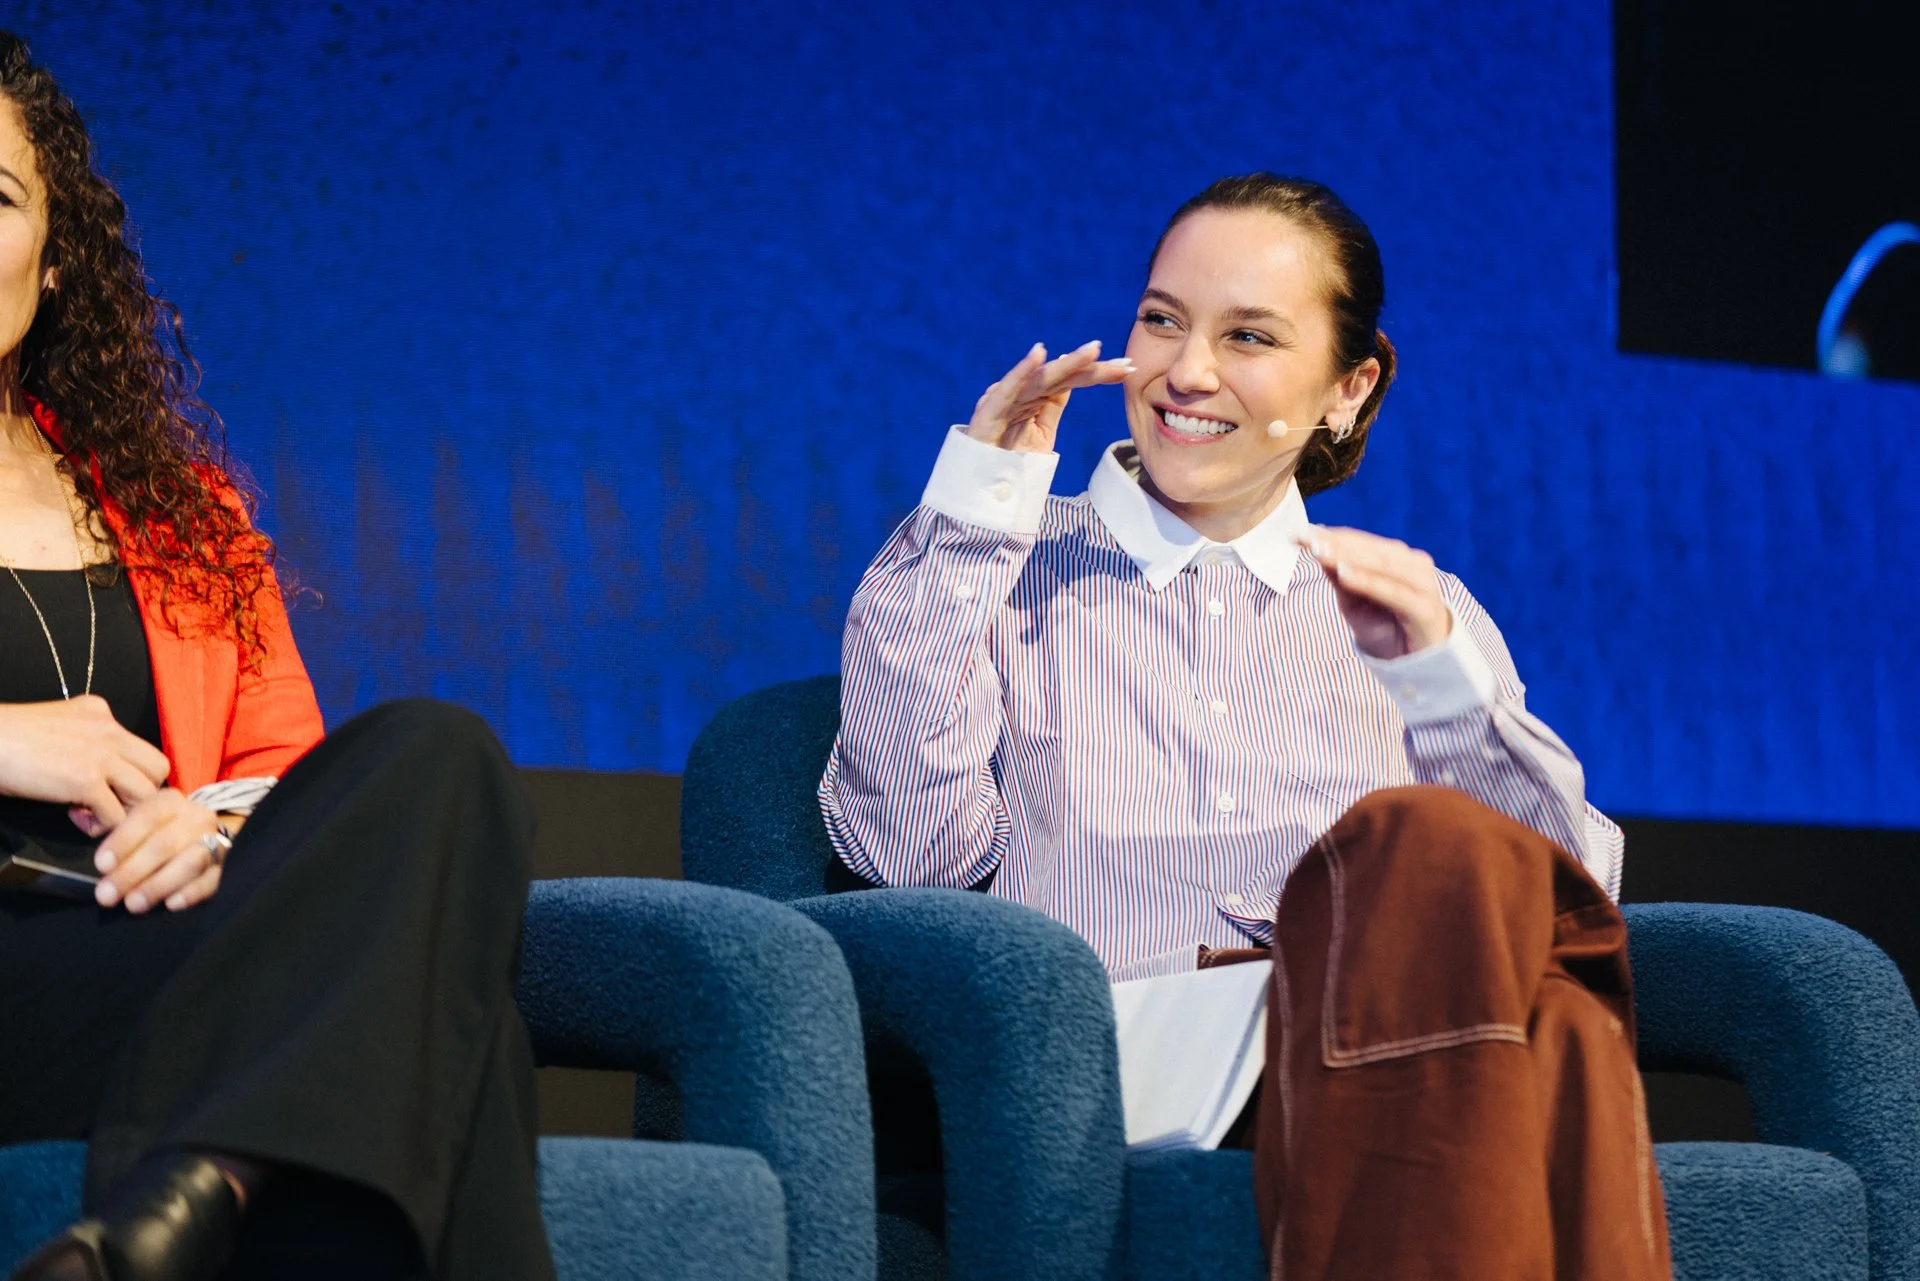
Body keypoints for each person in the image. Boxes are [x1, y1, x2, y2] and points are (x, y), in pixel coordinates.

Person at [821, 173, 1672, 1279]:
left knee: (1494, 946)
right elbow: (911, 860)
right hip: (1106, 1058)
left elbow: (1568, 905)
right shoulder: (1004, 571)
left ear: (1346, 390)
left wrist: (1440, 686)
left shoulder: (1411, 607)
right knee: (1449, 921)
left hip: (1378, 1051)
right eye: (1162, 319)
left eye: (1250, 336)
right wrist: (979, 510)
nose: (1186, 372)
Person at [0, 34, 552, 1281]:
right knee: (455, 1041)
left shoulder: (180, 512)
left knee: (436, 751)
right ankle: (200, 1190)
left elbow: (284, 778)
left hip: (171, 945)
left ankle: (193, 1194)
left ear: (54, 250)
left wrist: (214, 835)